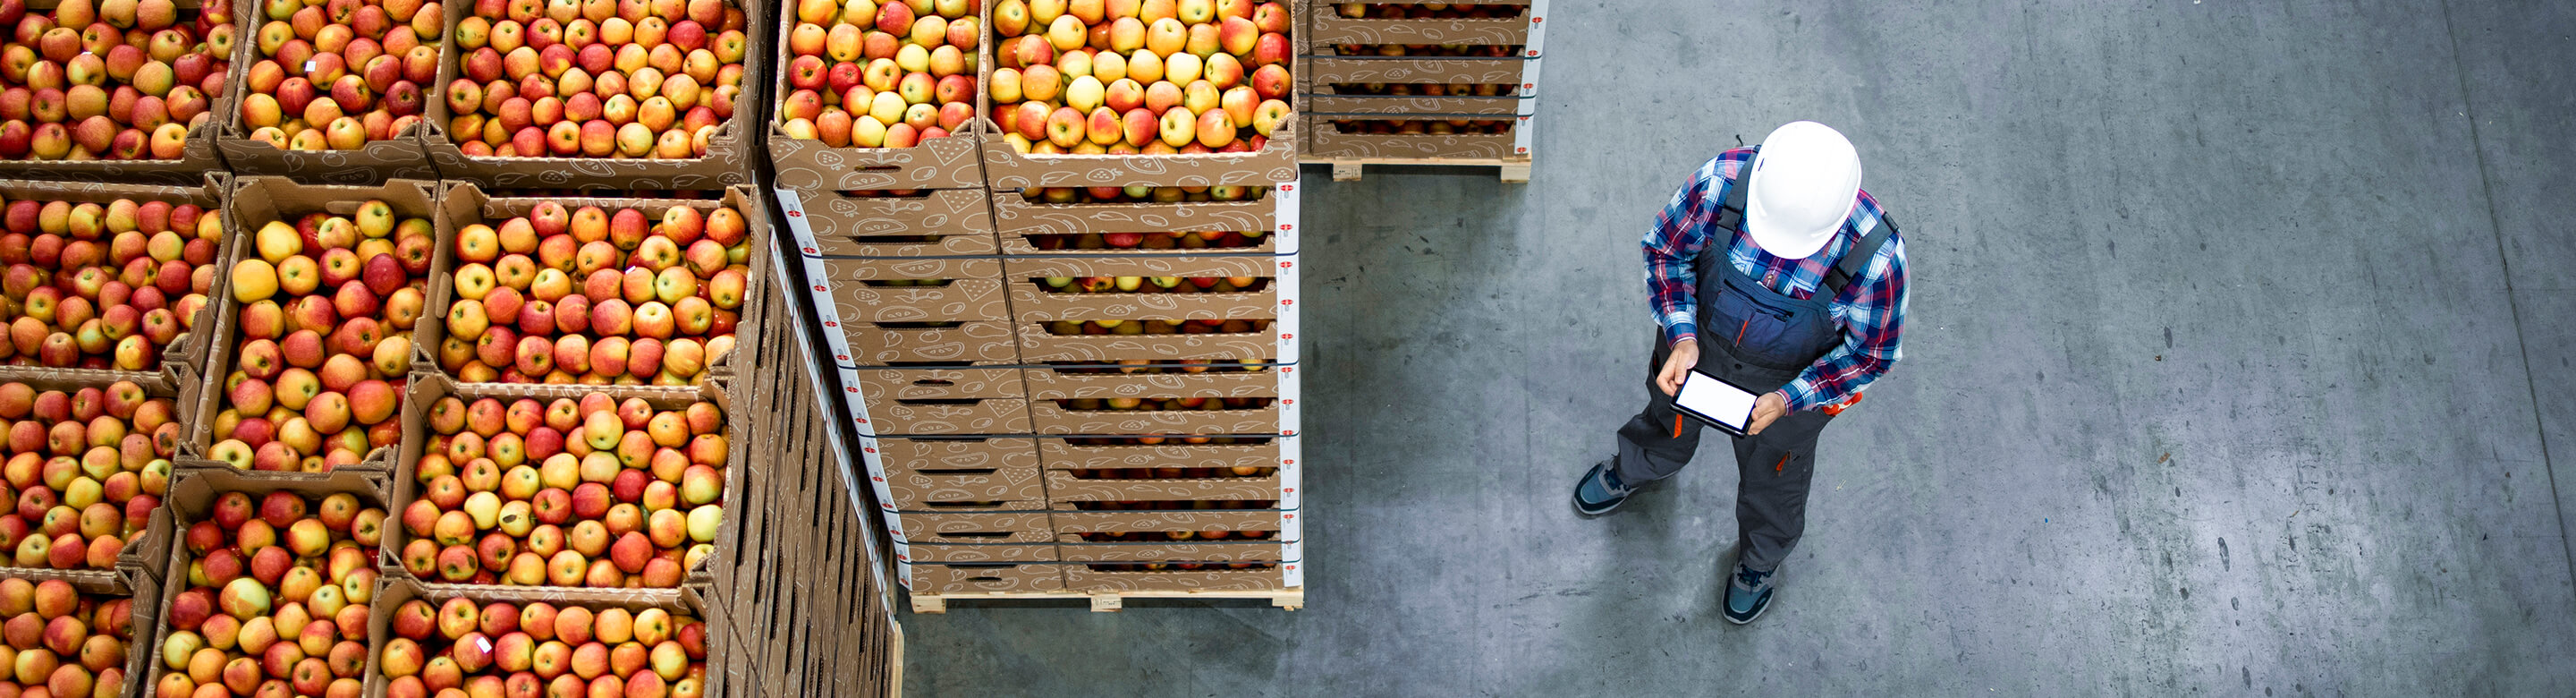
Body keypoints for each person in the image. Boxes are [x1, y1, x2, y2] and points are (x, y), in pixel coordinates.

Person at [1572, 121, 1910, 625]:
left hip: (1788, 389)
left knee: (1776, 475)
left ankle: (1759, 561)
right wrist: (1683, 336)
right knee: (1667, 414)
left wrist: (1789, 399)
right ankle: (1642, 463)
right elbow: (1666, 252)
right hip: (1697, 345)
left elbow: (1869, 356)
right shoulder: (1720, 182)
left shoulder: (1878, 261)